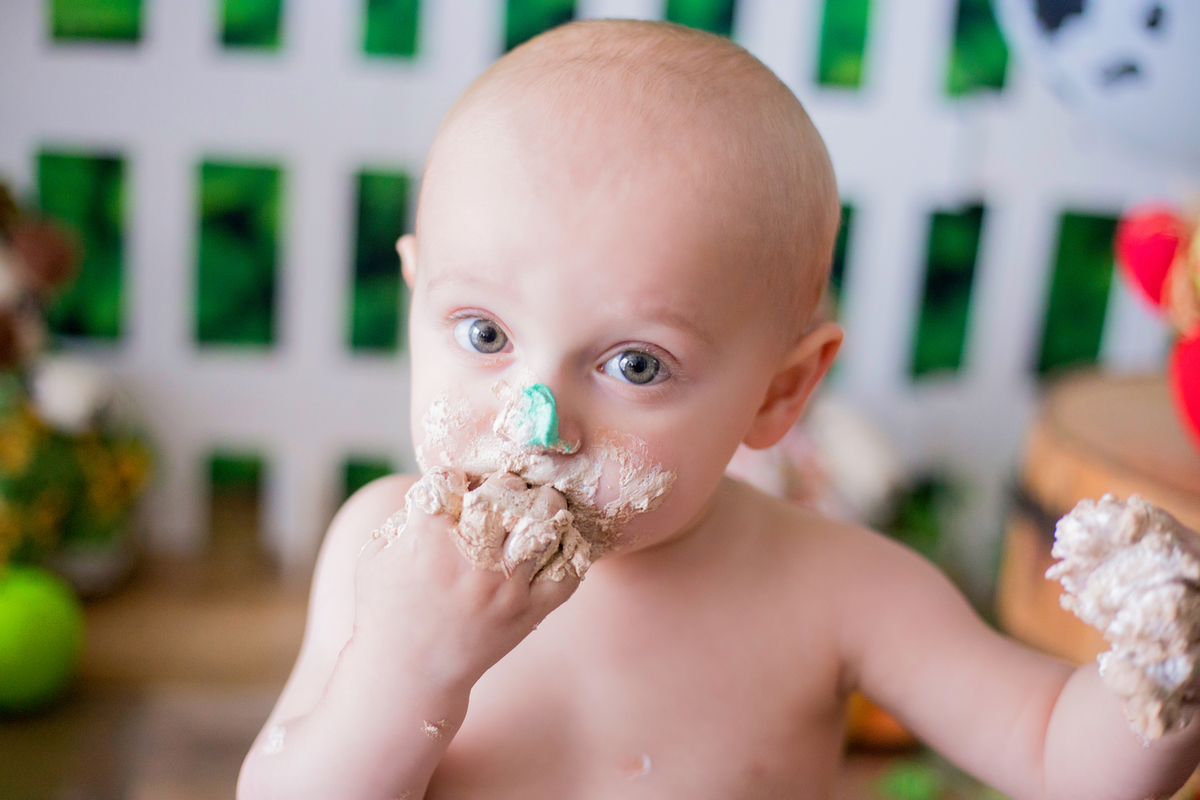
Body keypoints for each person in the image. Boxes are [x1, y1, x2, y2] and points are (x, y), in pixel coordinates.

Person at [237, 19, 1200, 799]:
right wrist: (406, 673)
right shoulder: (382, 554)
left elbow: (1058, 758)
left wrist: (1168, 667)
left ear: (782, 390)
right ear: (418, 301)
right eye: (484, 334)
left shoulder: (838, 589)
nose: (536, 422)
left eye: (635, 364)